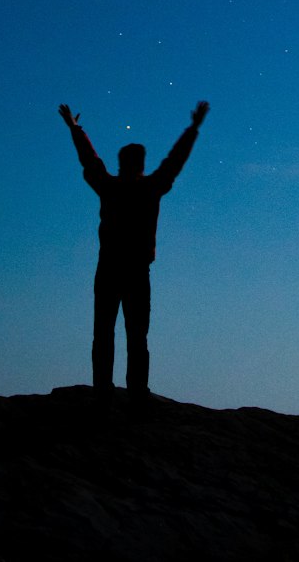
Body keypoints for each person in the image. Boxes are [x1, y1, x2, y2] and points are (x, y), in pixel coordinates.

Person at [58, 99, 209, 398]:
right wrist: (193, 129)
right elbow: (174, 162)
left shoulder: (110, 187)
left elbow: (90, 161)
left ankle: (104, 387)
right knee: (136, 335)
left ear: (121, 162)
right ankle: (136, 390)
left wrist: (75, 130)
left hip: (110, 268)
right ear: (141, 163)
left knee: (105, 332)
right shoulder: (149, 189)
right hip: (136, 271)